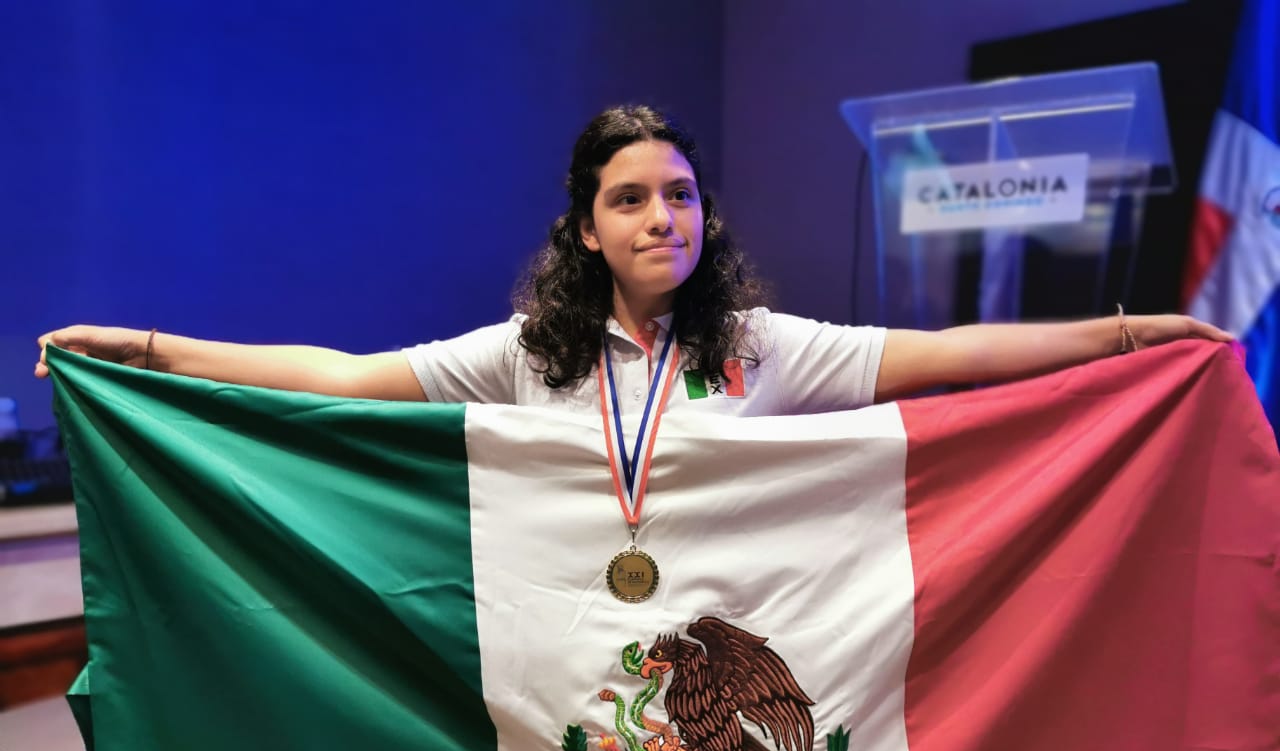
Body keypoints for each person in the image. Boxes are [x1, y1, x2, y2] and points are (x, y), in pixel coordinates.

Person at [34, 105, 1230, 415]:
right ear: (585, 229)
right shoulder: (526, 354)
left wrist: (1131, 332)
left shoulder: (760, 347)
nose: (664, 218)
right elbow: (342, 377)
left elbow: (950, 349)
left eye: (681, 195)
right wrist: (145, 348)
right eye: (631, 200)